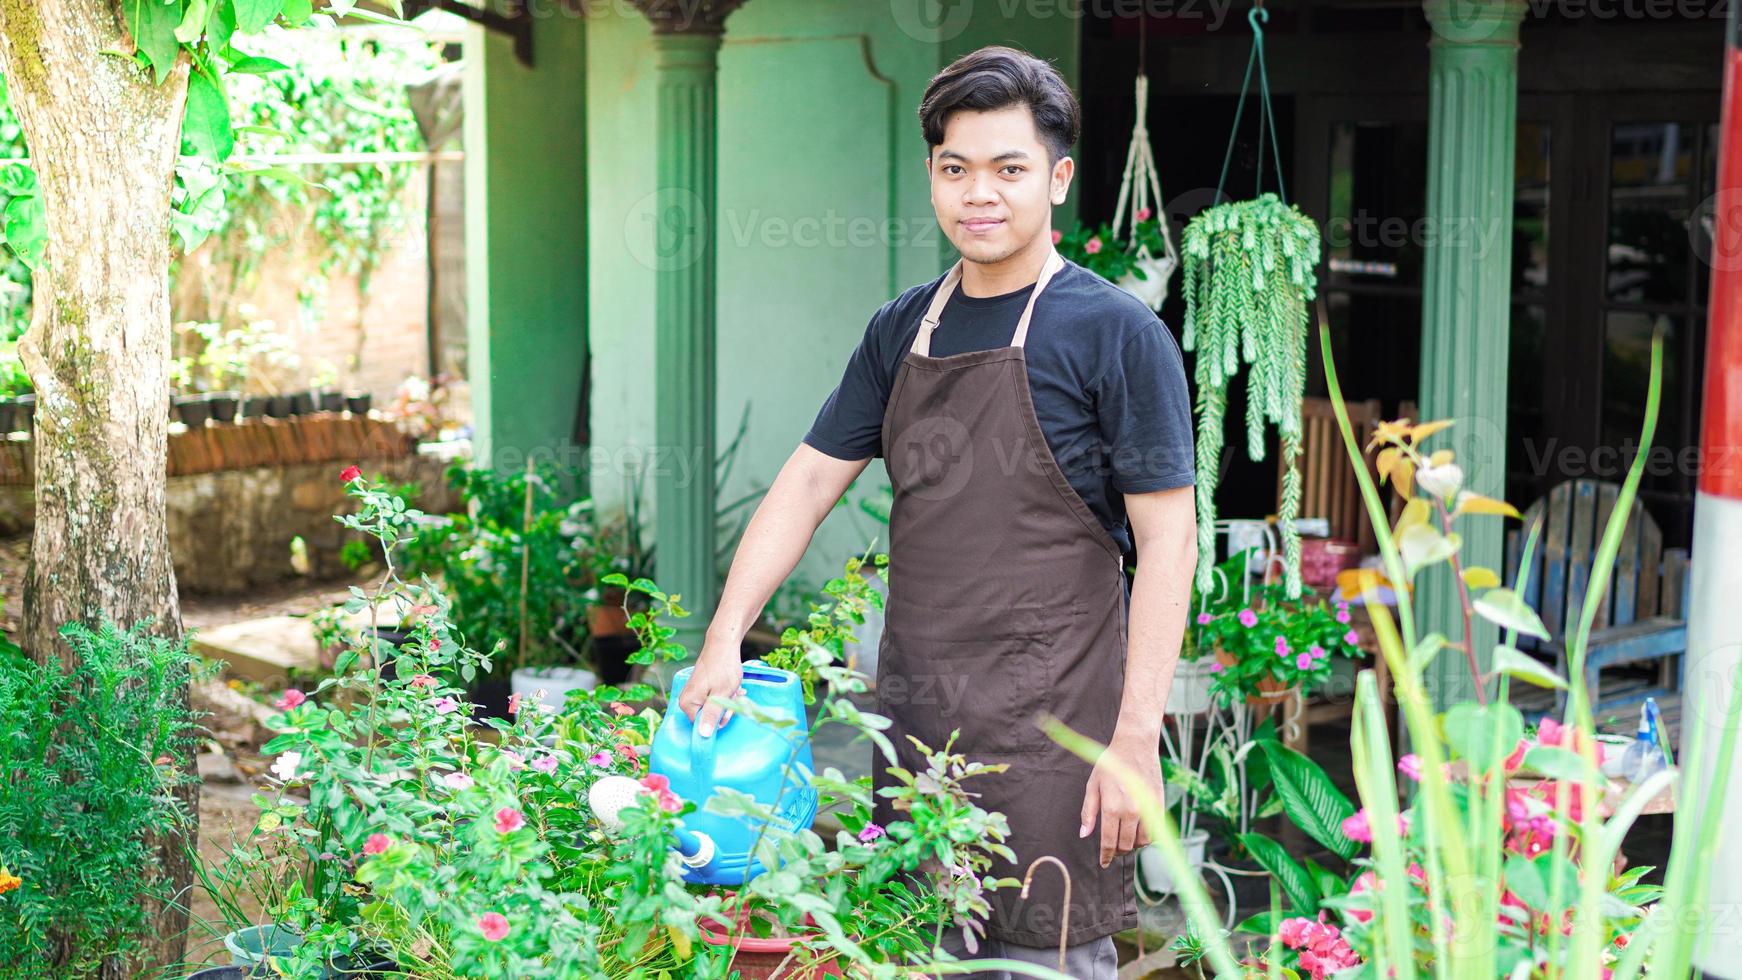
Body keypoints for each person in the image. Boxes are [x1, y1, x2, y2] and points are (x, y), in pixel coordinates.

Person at [679, 44, 1196, 980]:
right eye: (956, 169)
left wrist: (1134, 741)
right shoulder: (899, 328)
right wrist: (726, 634)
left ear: (1058, 178)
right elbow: (805, 482)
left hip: (1060, 737)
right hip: (919, 720)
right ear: (932, 174)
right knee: (915, 954)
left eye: (1009, 169)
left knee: (1053, 954)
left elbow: (1167, 542)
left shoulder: (1118, 334)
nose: (979, 193)